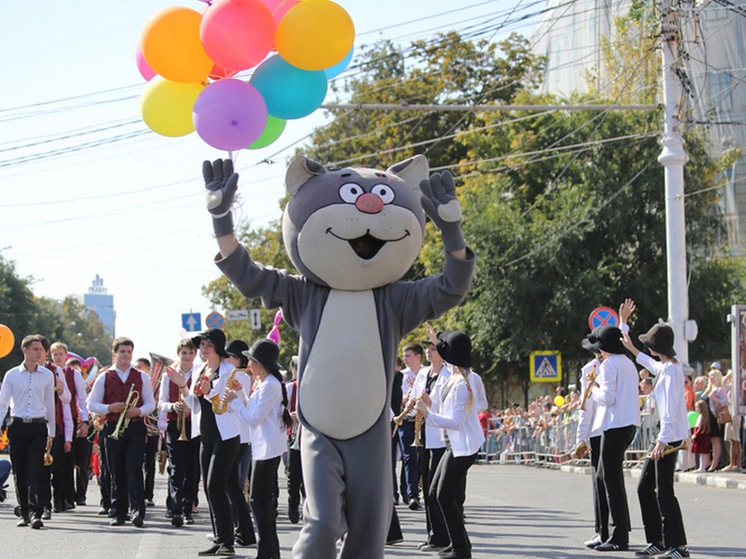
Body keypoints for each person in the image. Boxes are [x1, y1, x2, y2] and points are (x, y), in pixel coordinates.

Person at [168, 328, 244, 557]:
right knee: (209, 489)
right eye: (201, 345)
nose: (203, 349)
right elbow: (193, 403)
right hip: (206, 435)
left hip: (227, 436)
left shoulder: (230, 370)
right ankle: (220, 538)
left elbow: (228, 404)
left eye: (208, 345)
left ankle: (228, 542)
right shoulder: (201, 368)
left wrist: (210, 391)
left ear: (218, 347)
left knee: (215, 486)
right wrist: (182, 385)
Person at [622, 323, 690, 558]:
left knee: (664, 491)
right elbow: (647, 362)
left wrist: (662, 441)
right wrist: (629, 343)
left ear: (657, 346)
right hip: (664, 434)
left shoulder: (671, 370)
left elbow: (670, 409)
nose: (647, 347)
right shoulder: (665, 366)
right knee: (644, 488)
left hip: (668, 436)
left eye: (650, 343)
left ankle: (679, 547)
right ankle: (657, 541)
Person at [417, 331, 485, 559]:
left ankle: (461, 549)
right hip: (452, 446)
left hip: (463, 448)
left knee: (445, 496)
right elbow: (445, 410)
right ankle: (460, 544)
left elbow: (456, 422)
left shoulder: (463, 384)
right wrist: (431, 404)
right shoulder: (452, 378)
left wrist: (427, 414)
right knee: (436, 492)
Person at [224, 338, 291, 559]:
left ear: (259, 362)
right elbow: (253, 409)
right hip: (264, 447)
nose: (248, 364)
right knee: (260, 502)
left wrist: (233, 400)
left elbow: (253, 419)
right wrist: (241, 393)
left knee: (258, 502)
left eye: (250, 360)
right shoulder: (265, 383)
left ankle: (267, 551)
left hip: (268, 448)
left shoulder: (270, 384)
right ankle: (271, 551)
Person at [87, 337, 156, 528]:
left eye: (128, 352)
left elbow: (150, 403)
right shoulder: (104, 377)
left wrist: (139, 411)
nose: (126, 355)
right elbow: (91, 404)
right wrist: (109, 407)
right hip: (112, 427)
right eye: (122, 352)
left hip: (135, 427)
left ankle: (137, 511)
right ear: (114, 354)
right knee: (115, 471)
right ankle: (118, 512)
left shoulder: (141, 377)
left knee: (134, 469)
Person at [587, 325, 641, 552]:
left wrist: (593, 388)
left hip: (615, 424)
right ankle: (612, 532)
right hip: (628, 423)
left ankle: (618, 536)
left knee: (609, 479)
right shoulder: (628, 362)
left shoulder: (609, 364)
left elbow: (607, 398)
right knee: (608, 477)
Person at [0, 335, 56, 529]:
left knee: (36, 471)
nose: (39, 352)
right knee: (20, 471)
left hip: (38, 426)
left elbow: (50, 404)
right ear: (25, 351)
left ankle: (35, 513)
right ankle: (23, 512)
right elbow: (2, 404)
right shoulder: (12, 375)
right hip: (17, 426)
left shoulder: (48, 375)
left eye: (41, 349)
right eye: (35, 349)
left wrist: (52, 432)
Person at [410, 323, 452, 552]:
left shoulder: (448, 374)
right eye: (426, 347)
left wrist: (429, 404)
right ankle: (432, 534)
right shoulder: (423, 373)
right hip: (423, 435)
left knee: (437, 490)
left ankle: (442, 536)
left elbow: (447, 406)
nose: (428, 351)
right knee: (426, 488)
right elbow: (416, 397)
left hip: (439, 437)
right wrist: (410, 403)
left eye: (433, 348)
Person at [158, 338, 201, 527]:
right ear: (178, 354)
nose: (187, 357)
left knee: (193, 470)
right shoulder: (169, 375)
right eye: (184, 353)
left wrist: (193, 408)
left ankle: (187, 508)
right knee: (176, 469)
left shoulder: (200, 373)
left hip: (194, 426)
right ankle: (175, 509)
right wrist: (173, 406)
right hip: (175, 425)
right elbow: (161, 403)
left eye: (191, 353)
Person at [223, 339, 257, 548]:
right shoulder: (235, 375)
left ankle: (241, 532)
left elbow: (233, 405)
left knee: (233, 486)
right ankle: (236, 531)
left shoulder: (240, 376)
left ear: (238, 359)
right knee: (232, 486)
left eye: (229, 356)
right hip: (237, 437)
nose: (226, 359)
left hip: (240, 438)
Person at [50, 341, 89, 511]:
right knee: (54, 460)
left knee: (68, 459)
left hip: (70, 420)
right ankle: (56, 497)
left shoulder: (74, 374)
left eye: (60, 354)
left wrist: (85, 421)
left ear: (66, 356)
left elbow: (81, 399)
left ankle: (68, 497)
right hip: (52, 419)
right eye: (55, 354)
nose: (58, 357)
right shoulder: (47, 373)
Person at [577, 330, 607, 549]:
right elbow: (584, 405)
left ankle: (604, 530)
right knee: (605, 483)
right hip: (603, 429)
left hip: (599, 430)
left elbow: (585, 407)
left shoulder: (598, 368)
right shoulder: (592, 368)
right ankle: (605, 529)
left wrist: (581, 438)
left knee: (601, 483)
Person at [398, 342, 424, 510]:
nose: (405, 359)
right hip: (406, 420)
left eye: (408, 356)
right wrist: (404, 399)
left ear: (417, 357)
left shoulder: (427, 373)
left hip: (424, 421)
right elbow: (395, 399)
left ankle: (409, 489)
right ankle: (413, 495)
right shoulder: (400, 376)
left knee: (420, 459)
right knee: (409, 457)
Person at [285, 354, 304, 524]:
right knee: (293, 475)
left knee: (308, 477)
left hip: (310, 436)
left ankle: (308, 508)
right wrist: (289, 415)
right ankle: (293, 506)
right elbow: (280, 409)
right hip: (294, 436)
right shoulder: (291, 388)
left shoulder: (315, 387)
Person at [702, 366, 727, 471]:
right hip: (706, 417)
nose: (711, 377)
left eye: (713, 376)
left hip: (714, 416)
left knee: (716, 439)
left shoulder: (720, 389)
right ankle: (708, 462)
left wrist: (714, 398)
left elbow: (724, 403)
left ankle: (715, 462)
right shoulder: (708, 389)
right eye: (710, 375)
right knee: (709, 440)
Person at [722, 370, 742, 472]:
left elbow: (723, 383)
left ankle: (737, 464)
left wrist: (729, 374)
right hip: (731, 412)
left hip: (735, 413)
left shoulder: (736, 386)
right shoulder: (733, 386)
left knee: (736, 439)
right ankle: (733, 463)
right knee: (731, 439)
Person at [691, 400, 711, 472]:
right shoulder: (701, 416)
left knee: (702, 453)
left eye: (698, 408)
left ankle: (702, 467)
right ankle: (701, 467)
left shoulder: (702, 417)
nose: (696, 410)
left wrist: (695, 434)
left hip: (701, 437)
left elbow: (700, 428)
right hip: (700, 436)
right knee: (701, 454)